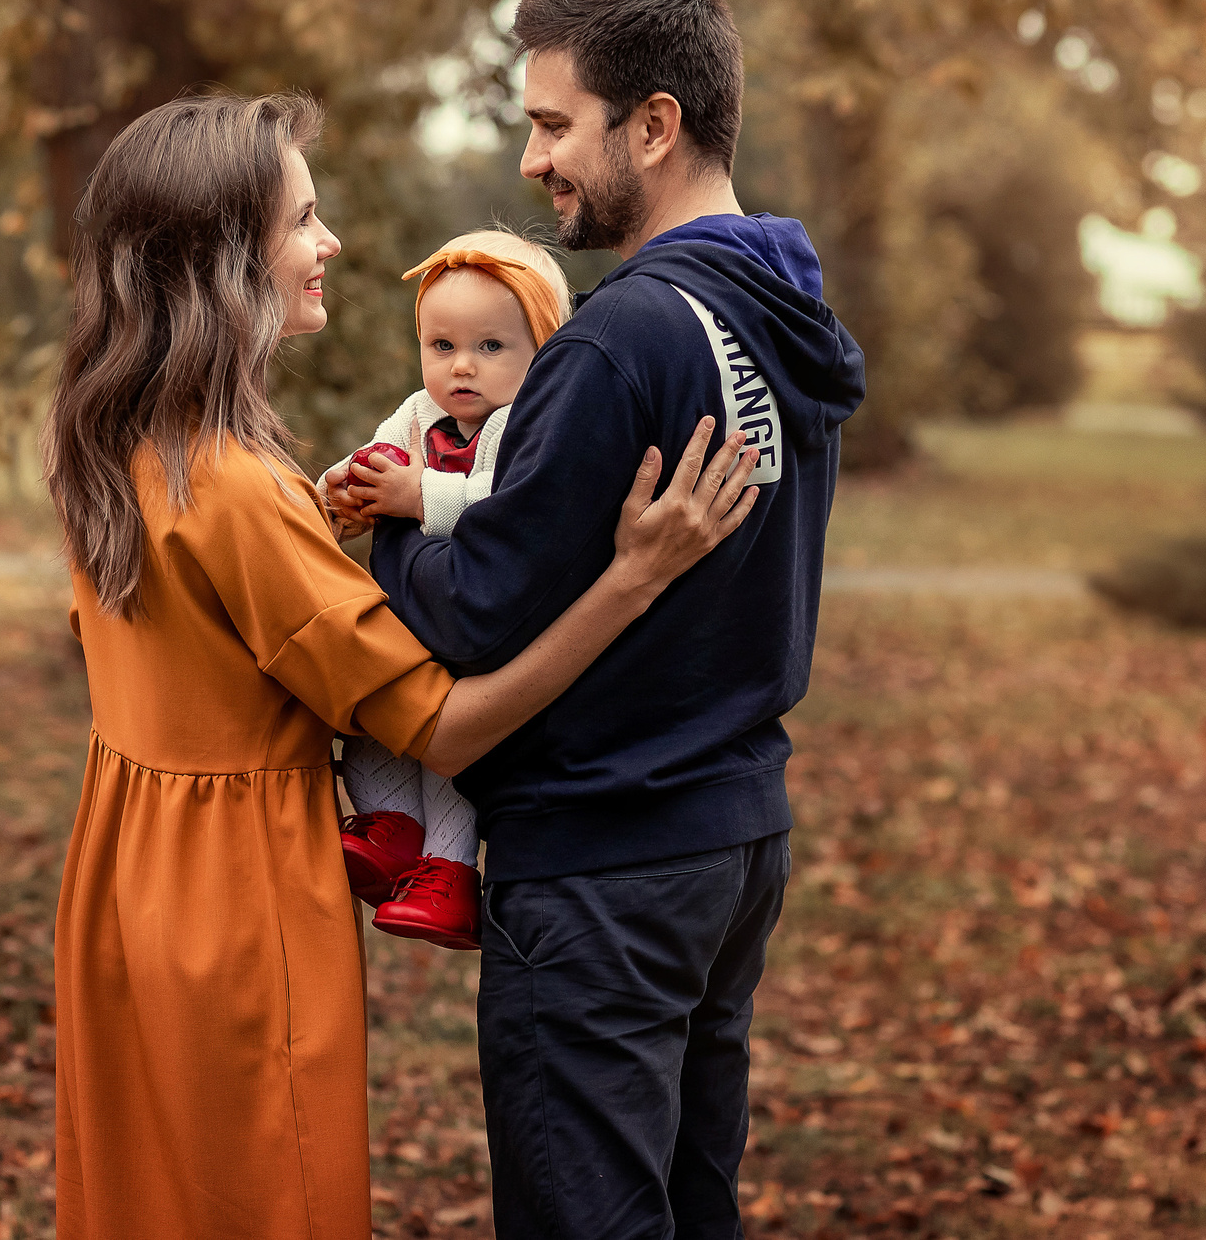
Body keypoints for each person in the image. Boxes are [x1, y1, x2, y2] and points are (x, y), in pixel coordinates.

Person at [44, 89, 760, 1240]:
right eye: (302, 221)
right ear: (228, 258)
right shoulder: (234, 483)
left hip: (128, 873)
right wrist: (632, 578)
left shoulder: (112, 438)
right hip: (236, 897)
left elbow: (195, 642)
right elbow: (447, 728)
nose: (329, 246)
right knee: (270, 1196)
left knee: (152, 1195)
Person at [370, 0, 869, 1240]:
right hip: (730, 844)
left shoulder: (615, 341)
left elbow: (476, 607)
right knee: (690, 1209)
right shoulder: (776, 311)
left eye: (553, 126)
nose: (533, 162)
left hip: (603, 860)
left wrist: (374, 533)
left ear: (654, 125)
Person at [316, 228, 573, 951]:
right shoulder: (417, 413)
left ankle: (451, 871)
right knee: (370, 727)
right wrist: (345, 488)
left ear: (544, 352)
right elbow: (373, 462)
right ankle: (390, 827)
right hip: (407, 628)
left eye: (492, 347)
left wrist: (418, 495)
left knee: (445, 754)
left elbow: (516, 502)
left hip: (479, 643)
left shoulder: (531, 423)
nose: (462, 367)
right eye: (441, 346)